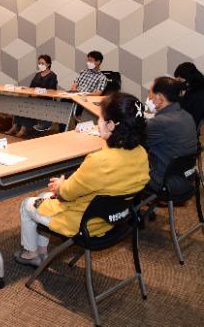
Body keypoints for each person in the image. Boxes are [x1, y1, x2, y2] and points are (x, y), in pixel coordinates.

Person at [14, 92, 150, 267]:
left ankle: (31, 254)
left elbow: (66, 194)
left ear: (110, 125)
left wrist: (60, 186)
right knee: (42, 196)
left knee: (26, 203)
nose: (97, 122)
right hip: (115, 219)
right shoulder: (141, 154)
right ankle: (42, 252)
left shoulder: (99, 160)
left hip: (84, 224)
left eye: (100, 118)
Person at [144, 77, 197, 196]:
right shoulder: (187, 116)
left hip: (164, 181)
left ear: (160, 97)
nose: (149, 97)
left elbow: (133, 142)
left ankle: (130, 207)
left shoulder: (159, 122)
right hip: (186, 177)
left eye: (150, 92)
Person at [6, 55, 58, 136]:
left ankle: (24, 129)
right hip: (33, 98)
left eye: (42, 63)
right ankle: (15, 126)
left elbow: (52, 91)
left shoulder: (52, 75)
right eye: (39, 63)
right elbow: (31, 87)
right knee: (21, 103)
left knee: (29, 105)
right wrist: (26, 90)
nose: (40, 65)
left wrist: (38, 95)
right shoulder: (37, 74)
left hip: (44, 101)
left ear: (48, 64)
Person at [173, 62, 204, 128]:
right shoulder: (191, 88)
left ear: (188, 77)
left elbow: (193, 118)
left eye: (180, 78)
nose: (178, 81)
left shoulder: (198, 94)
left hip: (188, 128)